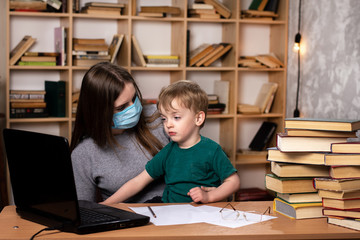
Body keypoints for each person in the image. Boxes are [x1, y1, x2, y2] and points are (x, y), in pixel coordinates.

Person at [102, 80, 241, 204]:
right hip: (170, 212)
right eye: (164, 118)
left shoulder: (212, 150)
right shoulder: (168, 151)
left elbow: (233, 181)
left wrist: (210, 197)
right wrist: (104, 205)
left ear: (198, 119)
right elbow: (138, 182)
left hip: (203, 213)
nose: (168, 124)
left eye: (176, 117)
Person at [70, 62, 169, 203]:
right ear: (99, 112)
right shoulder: (83, 154)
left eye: (134, 98)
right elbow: (86, 212)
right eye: (122, 107)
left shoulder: (163, 117)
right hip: (129, 222)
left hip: (179, 212)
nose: (133, 108)